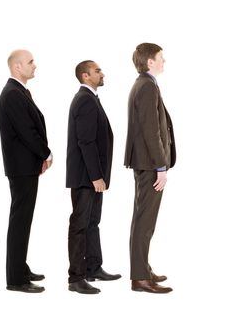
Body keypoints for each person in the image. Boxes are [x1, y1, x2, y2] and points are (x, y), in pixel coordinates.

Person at [0, 49, 52, 293]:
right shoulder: (12, 94)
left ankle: (20, 267)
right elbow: (27, 131)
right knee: (20, 221)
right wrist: (46, 153)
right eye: (30, 62)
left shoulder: (18, 91)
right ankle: (16, 279)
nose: (35, 65)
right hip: (21, 168)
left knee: (23, 221)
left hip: (25, 167)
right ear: (17, 67)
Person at [66, 60, 121, 295]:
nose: (102, 73)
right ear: (85, 76)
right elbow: (86, 142)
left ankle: (93, 267)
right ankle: (76, 278)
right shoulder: (85, 100)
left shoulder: (91, 99)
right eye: (97, 70)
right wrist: (96, 176)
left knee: (92, 223)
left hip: (93, 177)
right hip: (86, 177)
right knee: (79, 225)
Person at [125, 43, 176, 294]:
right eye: (160, 58)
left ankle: (143, 269)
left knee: (144, 221)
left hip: (145, 164)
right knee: (145, 222)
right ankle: (139, 278)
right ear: (149, 62)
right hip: (149, 165)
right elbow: (150, 130)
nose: (164, 61)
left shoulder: (146, 84)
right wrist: (160, 166)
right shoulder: (146, 86)